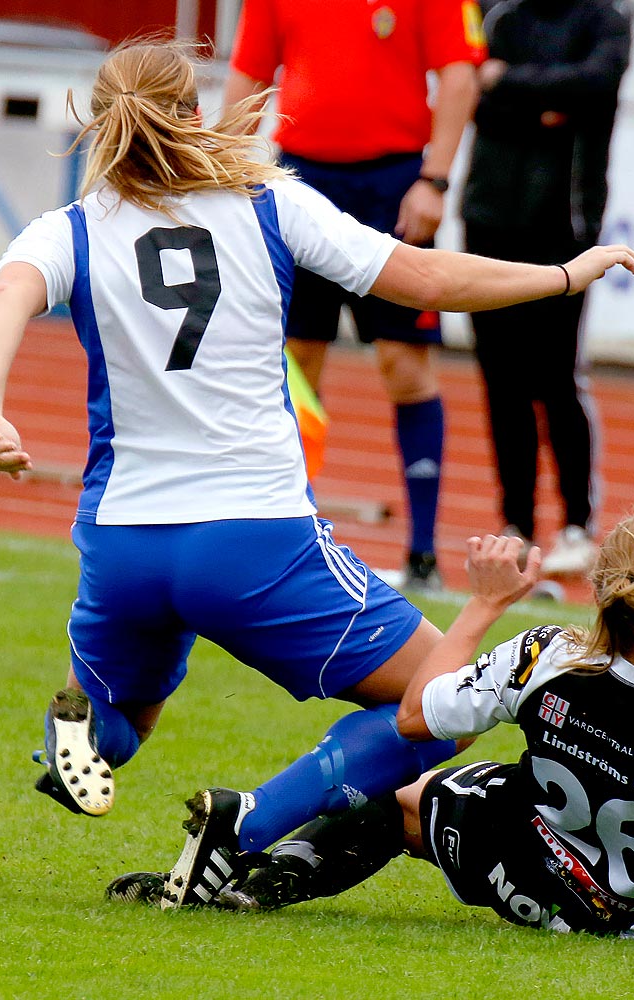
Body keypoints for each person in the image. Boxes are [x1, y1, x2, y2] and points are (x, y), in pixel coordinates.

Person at [0, 41, 634, 909]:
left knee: (123, 732)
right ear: (195, 110)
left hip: (123, 542)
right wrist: (561, 275)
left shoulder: (67, 228)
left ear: (102, 125)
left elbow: (6, 296)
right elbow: (426, 275)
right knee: (449, 696)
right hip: (255, 540)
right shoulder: (267, 205)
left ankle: (81, 722)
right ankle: (245, 824)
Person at [109, 504, 634, 965]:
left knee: (406, 797)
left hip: (521, 869)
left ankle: (255, 883)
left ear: (597, 591)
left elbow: (413, 718)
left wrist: (481, 603)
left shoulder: (542, 657)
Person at [222, 0, 486, 590]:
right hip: (297, 181)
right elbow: (249, 75)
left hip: (392, 185)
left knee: (404, 364)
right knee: (293, 365)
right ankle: (291, 536)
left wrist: (435, 179)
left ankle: (421, 551)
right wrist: (216, 170)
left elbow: (460, 74)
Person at [463, 0, 631, 578]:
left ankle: (577, 525)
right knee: (500, 379)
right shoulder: (495, 12)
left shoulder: (605, 19)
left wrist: (511, 82)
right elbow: (470, 91)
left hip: (564, 228)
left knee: (557, 378)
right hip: (488, 218)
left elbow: (595, 85)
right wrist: (540, 101)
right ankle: (514, 523)